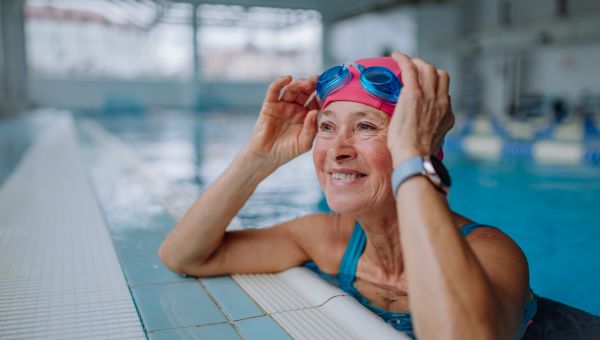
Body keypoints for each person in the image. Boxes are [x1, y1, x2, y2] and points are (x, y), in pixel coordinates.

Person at [159, 52, 537, 339]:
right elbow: (184, 256)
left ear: (420, 146)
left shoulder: (489, 252)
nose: (337, 149)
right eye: (327, 127)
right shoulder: (330, 238)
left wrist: (412, 157)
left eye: (366, 127)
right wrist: (259, 157)